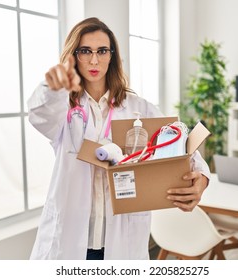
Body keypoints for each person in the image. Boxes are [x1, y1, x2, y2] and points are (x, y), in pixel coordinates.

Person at [27, 17, 210, 260]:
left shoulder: (139, 108)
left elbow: (182, 146)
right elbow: (40, 114)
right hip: (71, 241)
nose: (94, 60)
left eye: (102, 51)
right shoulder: (64, 108)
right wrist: (53, 86)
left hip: (122, 241)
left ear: (112, 55)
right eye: (85, 51)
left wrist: (202, 180)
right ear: (74, 55)